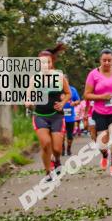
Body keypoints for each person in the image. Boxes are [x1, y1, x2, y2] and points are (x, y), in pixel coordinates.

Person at [27, 44, 71, 180]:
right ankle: (47, 172)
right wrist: (28, 103)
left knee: (57, 149)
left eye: (48, 62)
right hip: (40, 116)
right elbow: (28, 96)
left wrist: (63, 103)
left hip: (57, 116)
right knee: (45, 144)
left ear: (52, 63)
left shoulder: (59, 77)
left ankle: (57, 160)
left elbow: (68, 93)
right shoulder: (34, 79)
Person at [83, 49, 112, 176]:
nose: (107, 63)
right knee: (102, 142)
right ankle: (104, 155)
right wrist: (102, 97)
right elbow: (86, 95)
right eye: (104, 60)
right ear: (100, 60)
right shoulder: (93, 74)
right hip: (100, 111)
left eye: (109, 60)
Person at [62, 85, 81, 156]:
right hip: (60, 117)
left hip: (70, 117)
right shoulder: (57, 90)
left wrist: (75, 103)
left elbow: (78, 100)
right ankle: (62, 149)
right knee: (61, 135)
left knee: (70, 135)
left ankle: (68, 149)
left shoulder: (72, 90)